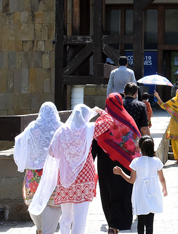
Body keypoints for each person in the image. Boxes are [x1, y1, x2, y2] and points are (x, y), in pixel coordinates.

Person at [29, 104, 114, 234]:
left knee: (66, 216)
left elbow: (52, 152)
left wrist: (68, 154)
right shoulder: (89, 129)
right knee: (80, 216)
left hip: (65, 178)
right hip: (85, 178)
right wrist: (99, 111)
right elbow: (109, 121)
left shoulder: (62, 131)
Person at [94, 93, 143, 234]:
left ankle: (112, 223)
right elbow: (135, 140)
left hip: (105, 163)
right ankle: (123, 223)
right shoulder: (128, 119)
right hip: (126, 164)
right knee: (124, 192)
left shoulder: (103, 120)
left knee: (107, 192)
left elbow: (96, 141)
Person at [14, 102, 63, 234]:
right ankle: (48, 231)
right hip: (54, 173)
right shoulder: (61, 128)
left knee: (34, 202)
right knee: (53, 204)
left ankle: (40, 228)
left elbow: (19, 142)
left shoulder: (32, 128)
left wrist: (26, 160)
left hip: (34, 173)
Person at [113, 136, 168, 234]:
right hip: (153, 192)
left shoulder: (136, 162)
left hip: (140, 194)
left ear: (140, 148)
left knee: (141, 221)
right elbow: (162, 178)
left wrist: (121, 173)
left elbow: (131, 180)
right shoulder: (157, 161)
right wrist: (164, 188)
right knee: (150, 221)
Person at [154, 89, 178, 165]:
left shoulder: (174, 100)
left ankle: (177, 159)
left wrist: (158, 97)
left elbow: (164, 105)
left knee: (175, 142)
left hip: (174, 124)